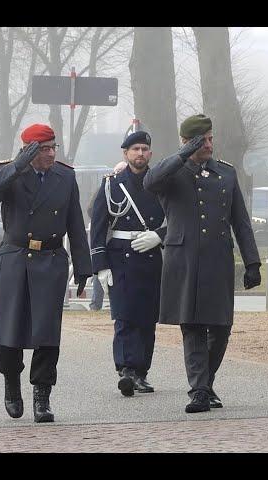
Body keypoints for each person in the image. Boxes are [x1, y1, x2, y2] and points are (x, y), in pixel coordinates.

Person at [144, 114, 261, 413]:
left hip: (218, 260)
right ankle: (199, 390)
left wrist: (252, 262)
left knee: (221, 327)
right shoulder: (173, 173)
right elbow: (150, 181)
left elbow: (241, 221)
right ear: (187, 141)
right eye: (202, 140)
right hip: (184, 260)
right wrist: (183, 153)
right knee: (192, 327)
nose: (209, 144)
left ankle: (205, 384)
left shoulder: (226, 173)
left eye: (210, 138)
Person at [0, 123, 92, 422]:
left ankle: (42, 395)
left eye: (53, 147)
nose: (51, 153)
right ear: (28, 150)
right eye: (43, 149)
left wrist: (83, 267)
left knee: (47, 334)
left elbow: (75, 223)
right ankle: (12, 383)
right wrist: (17, 165)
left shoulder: (65, 176)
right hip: (15, 258)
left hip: (50, 260)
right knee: (10, 331)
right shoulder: (12, 173)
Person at [90, 131, 165, 396]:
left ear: (151, 154)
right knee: (124, 316)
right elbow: (98, 226)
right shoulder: (112, 184)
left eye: (145, 149)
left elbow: (177, 218)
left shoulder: (160, 182)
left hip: (151, 255)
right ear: (126, 154)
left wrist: (160, 236)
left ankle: (142, 372)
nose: (140, 154)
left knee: (147, 318)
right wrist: (99, 264)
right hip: (121, 256)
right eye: (135, 149)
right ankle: (126, 370)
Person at [87, 160, 128, 312]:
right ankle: (95, 304)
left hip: (124, 238)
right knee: (101, 269)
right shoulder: (106, 187)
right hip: (107, 235)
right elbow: (92, 209)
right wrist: (106, 220)